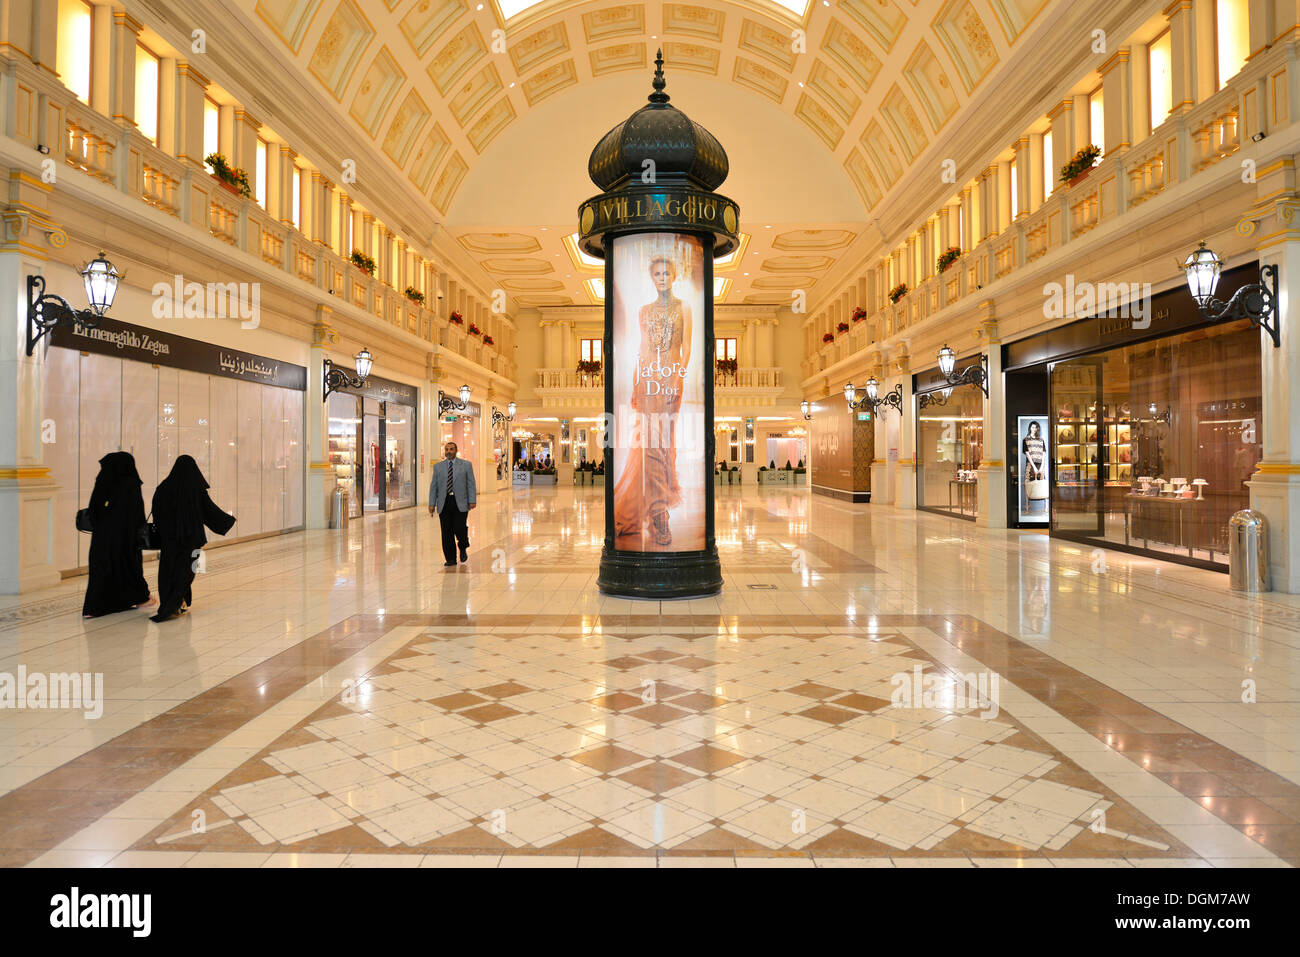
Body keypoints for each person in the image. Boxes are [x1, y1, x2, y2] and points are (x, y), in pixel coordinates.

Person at [615, 253, 692, 548]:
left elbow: (686, 349)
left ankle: (659, 513)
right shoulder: (644, 310)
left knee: (662, 446)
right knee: (647, 446)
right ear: (652, 278)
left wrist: (677, 378)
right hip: (647, 380)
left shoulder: (683, 308)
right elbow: (642, 347)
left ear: (674, 276)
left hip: (671, 380)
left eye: (666, 273)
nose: (662, 278)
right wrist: (636, 383)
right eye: (657, 274)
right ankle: (658, 515)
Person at [149, 455, 235, 623]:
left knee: (168, 570)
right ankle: (174, 604)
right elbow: (209, 510)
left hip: (169, 540)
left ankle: (172, 603)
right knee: (187, 572)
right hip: (192, 540)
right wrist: (226, 521)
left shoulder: (164, 488)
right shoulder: (195, 489)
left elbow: (157, 511)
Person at [82, 451, 154, 618]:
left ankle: (94, 607)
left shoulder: (103, 481)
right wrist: (140, 532)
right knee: (128, 566)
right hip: (125, 537)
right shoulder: (130, 483)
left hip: (102, 537)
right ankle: (138, 598)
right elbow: (137, 513)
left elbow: (93, 510)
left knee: (101, 569)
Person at [428, 441, 476, 567]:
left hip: (460, 502)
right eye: (447, 449)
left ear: (456, 450)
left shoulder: (466, 465)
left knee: (459, 528)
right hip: (444, 502)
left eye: (451, 449)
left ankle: (463, 545)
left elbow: (471, 483)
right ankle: (450, 558)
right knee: (446, 531)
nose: (449, 451)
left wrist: (472, 500)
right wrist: (432, 503)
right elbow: (434, 486)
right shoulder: (438, 467)